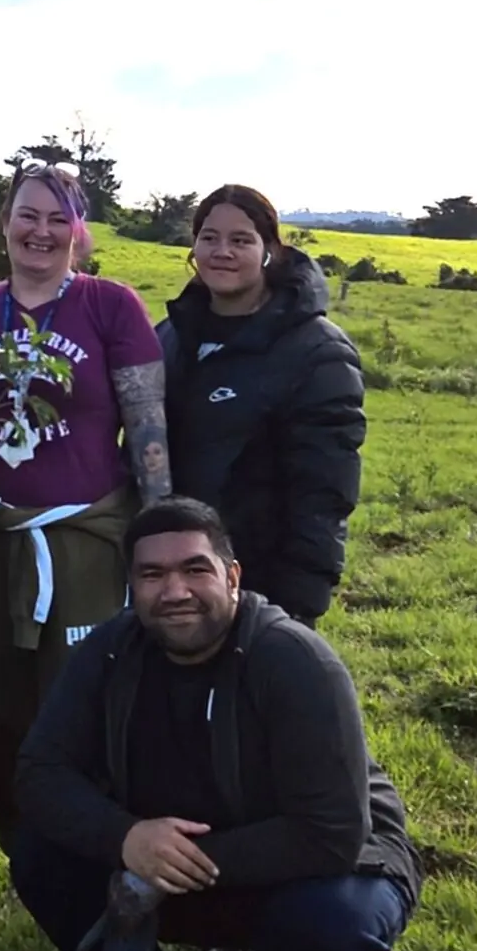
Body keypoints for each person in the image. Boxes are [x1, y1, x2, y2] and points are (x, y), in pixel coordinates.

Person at [8, 497, 433, 951]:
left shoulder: (295, 661)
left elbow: (333, 833)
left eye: (195, 569)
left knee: (328, 927)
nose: (174, 591)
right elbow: (40, 772)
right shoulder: (110, 652)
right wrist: (126, 839)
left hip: (317, 867)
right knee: (41, 857)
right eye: (152, 575)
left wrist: (160, 870)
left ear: (232, 577)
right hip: (166, 858)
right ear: (131, 586)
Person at [0, 160, 172, 838]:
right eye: (27, 216)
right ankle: (24, 851)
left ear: (78, 231)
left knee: (86, 703)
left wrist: (159, 531)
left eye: (56, 219)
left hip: (84, 544)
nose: (39, 232)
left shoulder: (111, 305)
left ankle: (99, 848)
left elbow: (148, 426)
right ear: (5, 223)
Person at [156, 184, 365, 625]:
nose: (222, 252)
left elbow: (324, 490)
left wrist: (299, 602)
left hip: (262, 586)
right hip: (171, 579)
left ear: (270, 250)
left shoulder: (316, 352)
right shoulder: (169, 336)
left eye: (241, 239)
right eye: (209, 238)